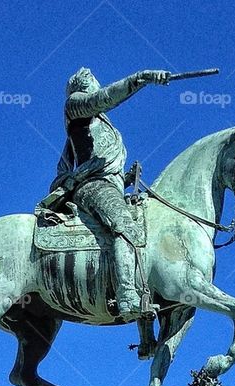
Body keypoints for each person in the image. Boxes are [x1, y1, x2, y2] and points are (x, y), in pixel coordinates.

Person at [47, 67, 170, 321]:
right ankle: (126, 295)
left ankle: (146, 329)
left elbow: (97, 163)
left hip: (107, 186)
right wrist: (140, 78)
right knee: (124, 224)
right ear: (82, 85)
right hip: (92, 187)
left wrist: (125, 179)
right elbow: (104, 98)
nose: (96, 81)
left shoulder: (100, 123)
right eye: (92, 80)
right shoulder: (76, 105)